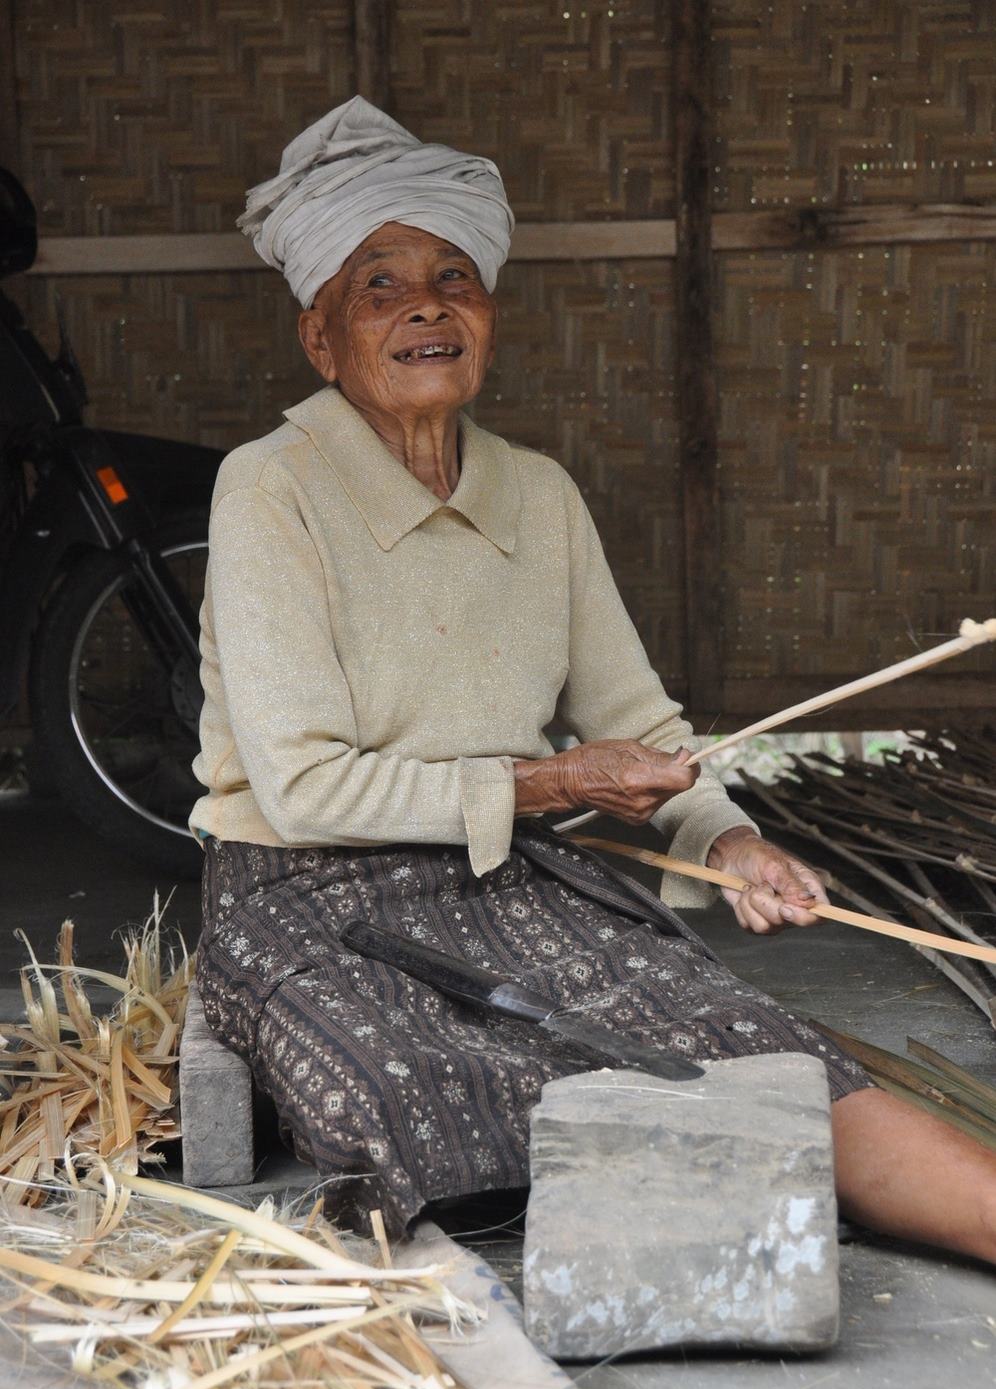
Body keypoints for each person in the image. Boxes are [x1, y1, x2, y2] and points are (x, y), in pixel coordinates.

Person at [191, 98, 996, 1261]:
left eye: (455, 277)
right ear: (322, 340)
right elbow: (307, 789)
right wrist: (555, 781)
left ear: (490, 318)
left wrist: (730, 845)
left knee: (742, 1042)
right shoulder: (270, 489)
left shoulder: (541, 495)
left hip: (514, 875)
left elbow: (642, 728)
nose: (428, 304)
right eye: (380, 284)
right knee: (415, 1085)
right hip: (305, 891)